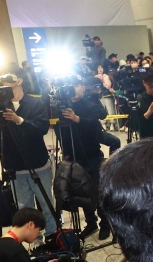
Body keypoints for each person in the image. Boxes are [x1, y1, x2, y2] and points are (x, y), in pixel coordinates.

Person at [0, 68, 58, 238]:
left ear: (19, 81)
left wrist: (19, 121)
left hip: (38, 163)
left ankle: (53, 235)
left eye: (7, 79)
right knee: (24, 207)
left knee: (46, 204)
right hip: (14, 167)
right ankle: (34, 239)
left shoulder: (35, 103)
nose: (4, 82)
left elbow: (41, 128)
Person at [55, 76, 112, 240]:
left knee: (97, 190)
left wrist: (76, 119)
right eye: (70, 85)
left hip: (92, 153)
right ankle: (90, 222)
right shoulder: (64, 105)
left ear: (83, 87)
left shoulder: (90, 103)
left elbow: (95, 122)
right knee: (81, 191)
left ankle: (105, 224)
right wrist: (65, 151)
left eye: (77, 85)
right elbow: (61, 130)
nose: (73, 88)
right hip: (73, 156)